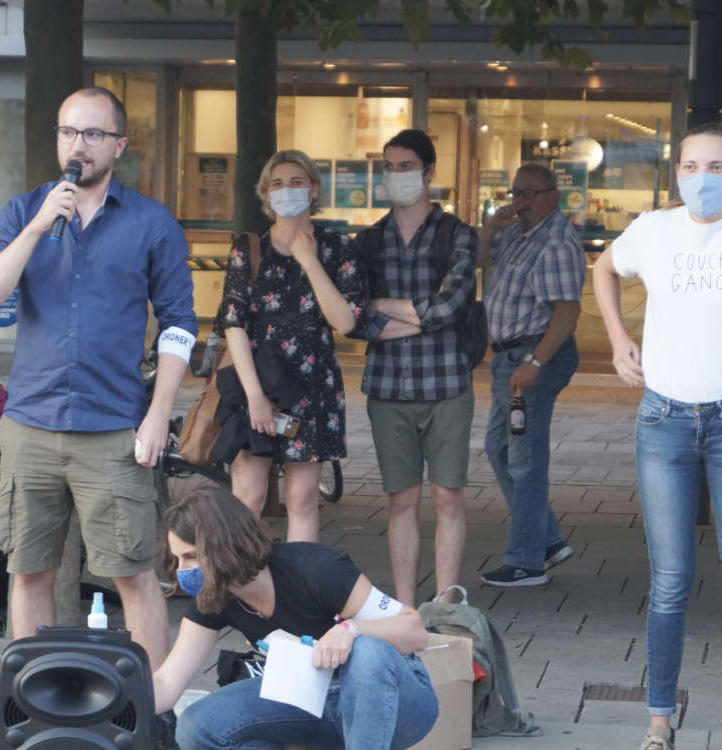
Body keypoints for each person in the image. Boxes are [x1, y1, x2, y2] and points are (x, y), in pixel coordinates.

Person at [0, 87, 196, 669]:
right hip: (31, 425)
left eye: (92, 134)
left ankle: (152, 708)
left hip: (114, 427)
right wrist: (39, 227)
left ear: (119, 143)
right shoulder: (26, 211)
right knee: (28, 569)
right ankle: (31, 698)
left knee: (134, 573)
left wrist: (157, 414)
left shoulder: (151, 222)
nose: (78, 145)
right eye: (68, 132)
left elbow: (178, 325)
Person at [594, 121, 722, 750]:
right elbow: (603, 270)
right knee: (668, 581)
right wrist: (618, 341)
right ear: (676, 175)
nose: (703, 178)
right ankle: (658, 722)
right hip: (663, 420)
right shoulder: (654, 231)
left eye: (716, 167)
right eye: (691, 167)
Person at [152, 486, 437, 749]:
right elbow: (167, 683)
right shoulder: (215, 594)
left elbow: (415, 631)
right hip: (312, 699)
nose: (182, 570)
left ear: (224, 546)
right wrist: (114, 686)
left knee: (368, 651)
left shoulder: (314, 568)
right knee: (196, 725)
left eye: (190, 557)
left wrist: (352, 629)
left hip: (393, 702)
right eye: (178, 560)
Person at [350, 129, 478, 607]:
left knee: (448, 498)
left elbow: (452, 309)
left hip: (447, 383)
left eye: (407, 166)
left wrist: (385, 306)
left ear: (429, 172)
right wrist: (421, 316)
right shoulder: (368, 242)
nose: (397, 175)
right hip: (387, 387)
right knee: (400, 501)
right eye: (389, 166)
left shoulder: (458, 234)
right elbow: (356, 320)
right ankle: (405, 604)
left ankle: (445, 602)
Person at [212, 149, 362, 542]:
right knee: (248, 495)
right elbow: (234, 324)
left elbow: (345, 322)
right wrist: (254, 396)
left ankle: (298, 592)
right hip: (255, 383)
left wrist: (309, 260)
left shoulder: (336, 247)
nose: (287, 190)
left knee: (301, 498)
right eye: (277, 184)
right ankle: (236, 590)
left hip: (312, 385)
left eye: (297, 182)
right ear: (265, 193)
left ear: (313, 189)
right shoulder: (249, 248)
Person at [476, 164, 585, 587]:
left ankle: (526, 562)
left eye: (529, 194)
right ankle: (548, 541)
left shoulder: (556, 242)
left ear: (552, 196)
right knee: (498, 448)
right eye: (515, 192)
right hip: (510, 359)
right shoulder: (518, 234)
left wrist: (535, 363)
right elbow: (480, 259)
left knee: (525, 460)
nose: (519, 201)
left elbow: (566, 312)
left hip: (532, 356)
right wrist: (490, 227)